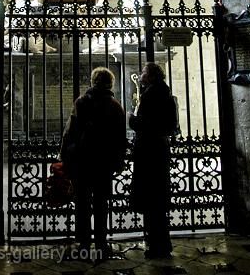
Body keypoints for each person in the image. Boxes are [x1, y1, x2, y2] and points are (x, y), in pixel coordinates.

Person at [60, 67, 126, 260]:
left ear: (93, 81)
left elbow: (70, 131)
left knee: (82, 201)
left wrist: (63, 156)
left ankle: (83, 241)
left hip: (83, 159)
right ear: (110, 83)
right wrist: (119, 160)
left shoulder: (82, 102)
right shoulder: (115, 105)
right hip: (104, 161)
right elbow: (120, 137)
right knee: (101, 202)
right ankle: (101, 241)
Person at [129, 62, 177, 258]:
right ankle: (160, 243)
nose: (140, 75)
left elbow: (146, 124)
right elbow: (169, 124)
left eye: (143, 73)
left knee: (151, 198)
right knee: (157, 198)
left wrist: (131, 119)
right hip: (159, 149)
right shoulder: (164, 94)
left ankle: (157, 245)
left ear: (151, 76)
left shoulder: (151, 95)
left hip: (150, 151)